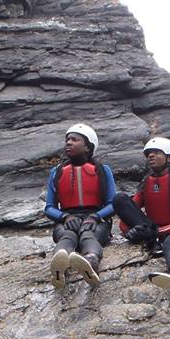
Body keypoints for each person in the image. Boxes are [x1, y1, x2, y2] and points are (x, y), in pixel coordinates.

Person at [113, 137, 170, 297]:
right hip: (153, 233)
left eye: (156, 152)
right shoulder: (146, 182)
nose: (151, 155)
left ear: (169, 158)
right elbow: (130, 210)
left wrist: (159, 232)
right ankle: (153, 244)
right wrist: (128, 230)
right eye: (149, 153)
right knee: (119, 198)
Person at [44, 123, 116, 288]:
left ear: (88, 147)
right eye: (67, 140)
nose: (68, 143)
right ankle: (60, 264)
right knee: (67, 235)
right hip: (68, 218)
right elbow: (49, 207)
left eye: (74, 140)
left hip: (96, 219)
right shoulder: (57, 172)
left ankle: (91, 260)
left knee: (87, 235)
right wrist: (64, 217)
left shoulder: (102, 170)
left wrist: (95, 217)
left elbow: (113, 204)